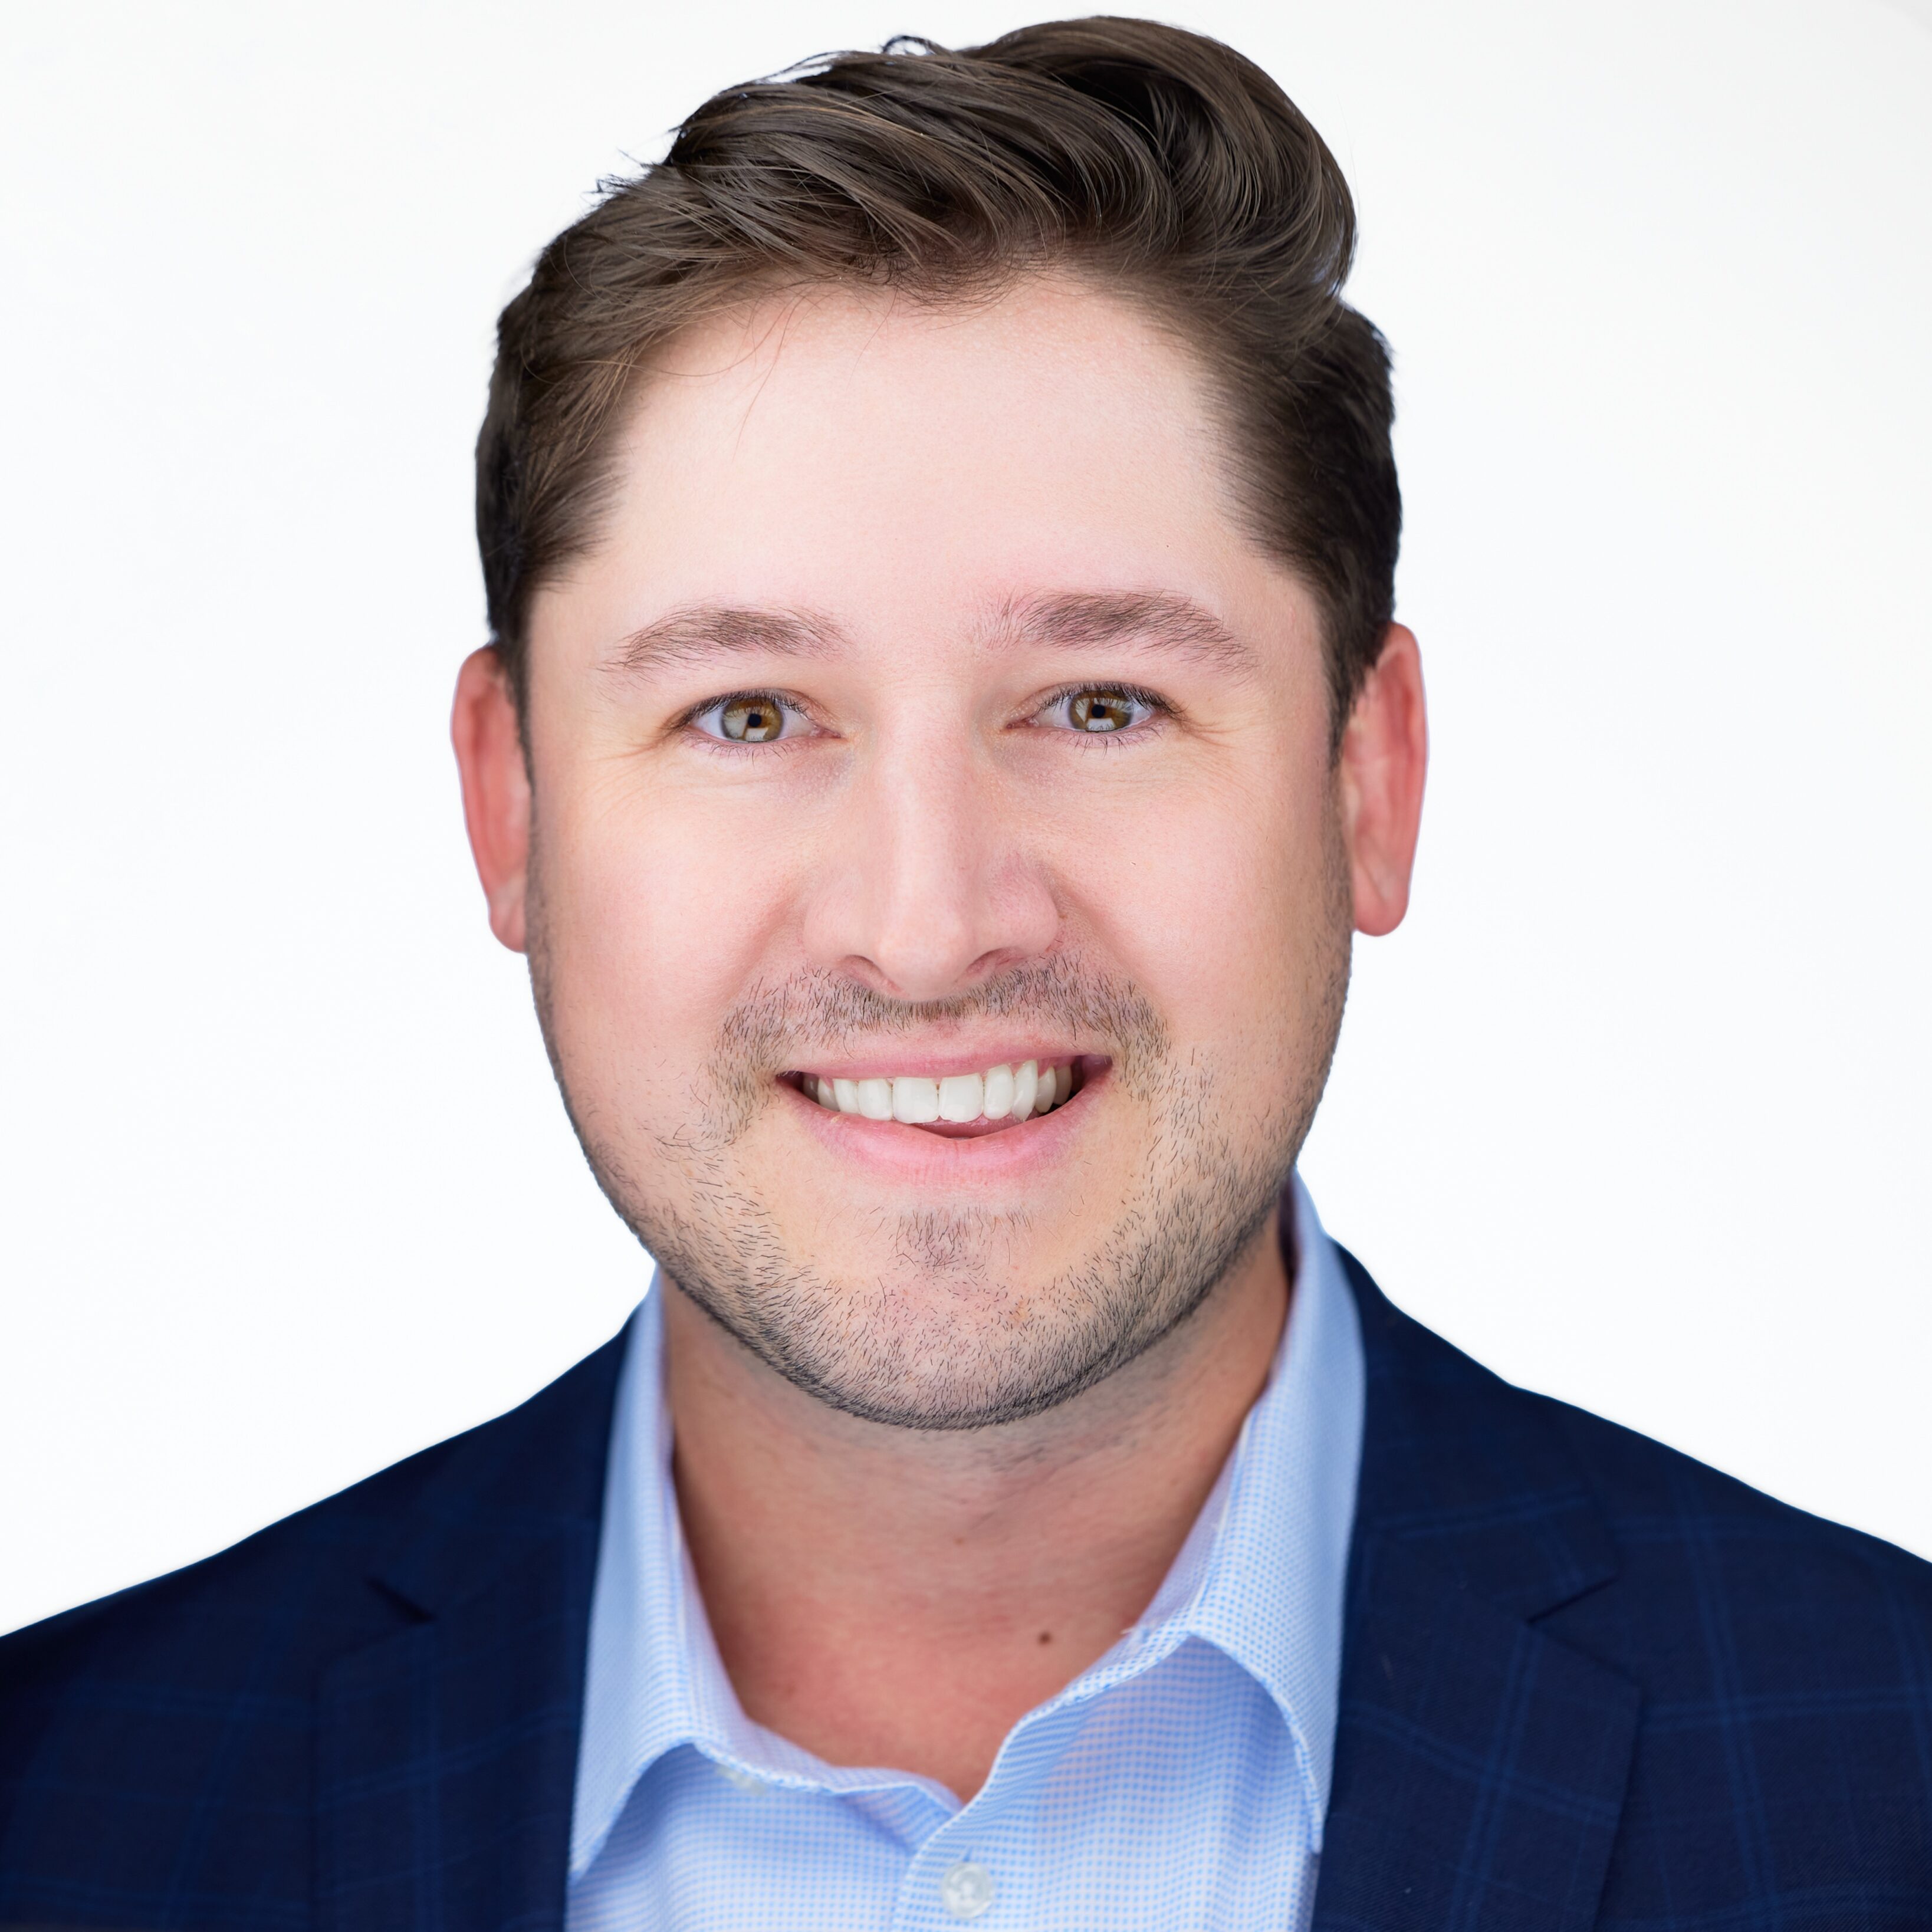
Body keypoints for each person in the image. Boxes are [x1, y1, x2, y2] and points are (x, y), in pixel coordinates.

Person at [3, 18, 1928, 1928]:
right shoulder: (62, 1815)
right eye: (748, 711)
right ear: (511, 805)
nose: (927, 927)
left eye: (1100, 702)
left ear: (1369, 779)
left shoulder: (1884, 1768)